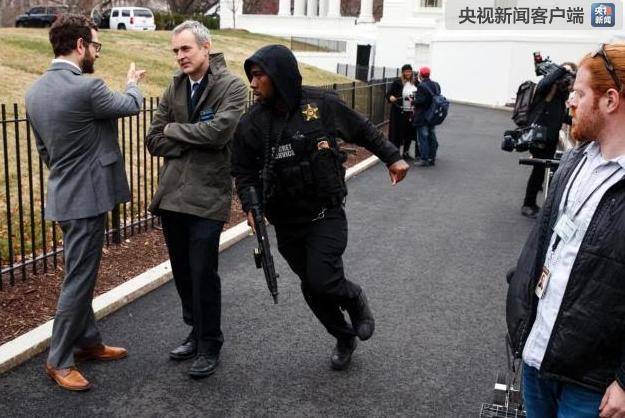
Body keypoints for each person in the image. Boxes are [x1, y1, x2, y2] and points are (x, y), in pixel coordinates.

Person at [231, 45, 409, 371]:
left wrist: (392, 157)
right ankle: (343, 337)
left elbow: (361, 129)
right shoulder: (252, 124)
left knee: (322, 278)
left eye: (258, 76)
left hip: (326, 214)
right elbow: (243, 171)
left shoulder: (321, 104)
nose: (252, 84)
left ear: (279, 75)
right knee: (311, 286)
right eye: (250, 77)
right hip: (286, 222)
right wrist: (249, 206)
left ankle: (354, 297)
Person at [25, 14, 145, 391]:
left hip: (64, 196)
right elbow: (131, 105)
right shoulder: (88, 87)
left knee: (81, 272)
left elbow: (45, 151)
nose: (96, 52)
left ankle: (88, 342)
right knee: (78, 279)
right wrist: (132, 82)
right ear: (80, 45)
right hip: (87, 200)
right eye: (95, 45)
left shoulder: (34, 92)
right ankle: (59, 359)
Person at [506, 43, 625, 418]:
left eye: (579, 93)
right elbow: (548, 242)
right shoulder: (574, 159)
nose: (570, 102)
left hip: (593, 384)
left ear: (610, 100)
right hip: (538, 355)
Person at [146, 20, 247, 379]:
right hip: (172, 195)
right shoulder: (174, 87)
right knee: (183, 272)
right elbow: (153, 140)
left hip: (208, 195)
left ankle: (210, 342)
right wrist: (189, 138)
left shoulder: (232, 86)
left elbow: (219, 133)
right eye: (176, 50)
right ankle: (195, 330)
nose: (180, 56)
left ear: (206, 47)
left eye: (186, 48)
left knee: (203, 272)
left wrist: (174, 130)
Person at [521, 62, 577, 218]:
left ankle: (535, 201)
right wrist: (562, 69)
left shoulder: (560, 93)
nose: (571, 83)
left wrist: (575, 121)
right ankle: (528, 204)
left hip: (550, 136)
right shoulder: (547, 87)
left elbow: (558, 115)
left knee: (543, 169)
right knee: (538, 169)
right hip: (540, 135)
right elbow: (545, 83)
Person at [386, 64, 418, 160]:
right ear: (403, 72)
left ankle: (406, 152)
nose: (408, 73)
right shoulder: (397, 82)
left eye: (410, 71)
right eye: (406, 71)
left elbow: (420, 93)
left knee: (409, 132)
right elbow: (388, 94)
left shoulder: (415, 82)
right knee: (398, 132)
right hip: (399, 112)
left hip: (411, 112)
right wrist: (391, 97)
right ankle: (396, 153)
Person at [412, 66, 440, 167]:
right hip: (433, 115)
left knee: (423, 137)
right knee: (432, 136)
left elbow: (421, 101)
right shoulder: (436, 84)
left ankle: (424, 159)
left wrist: (413, 101)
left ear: (420, 75)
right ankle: (432, 158)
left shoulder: (421, 86)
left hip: (423, 116)